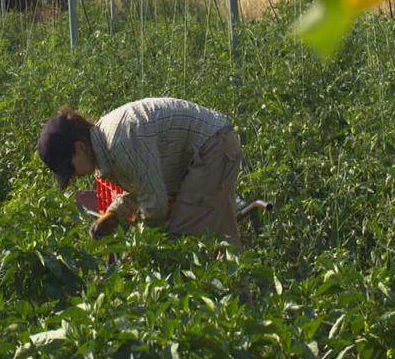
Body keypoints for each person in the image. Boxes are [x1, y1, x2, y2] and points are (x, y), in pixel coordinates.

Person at [37, 97, 243, 247]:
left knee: (182, 244)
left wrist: (139, 249)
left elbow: (155, 205)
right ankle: (238, 302)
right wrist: (114, 214)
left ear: (80, 147)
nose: (73, 177)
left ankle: (228, 302)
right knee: (216, 244)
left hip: (212, 148)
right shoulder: (106, 152)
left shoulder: (121, 142)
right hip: (204, 154)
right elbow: (145, 187)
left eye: (70, 168)